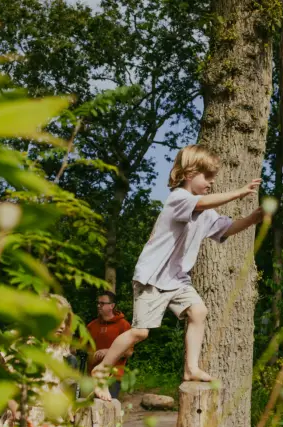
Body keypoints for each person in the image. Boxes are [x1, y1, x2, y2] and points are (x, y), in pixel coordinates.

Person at [89, 145, 264, 401]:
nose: (211, 183)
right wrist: (239, 192)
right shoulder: (178, 199)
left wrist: (252, 219)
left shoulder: (205, 213)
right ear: (188, 174)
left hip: (177, 279)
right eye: (207, 177)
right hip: (153, 276)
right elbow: (201, 202)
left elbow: (225, 229)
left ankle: (191, 368)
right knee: (140, 332)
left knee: (199, 311)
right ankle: (102, 370)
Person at [85, 291, 132, 399]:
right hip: (91, 376)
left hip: (113, 376)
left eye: (102, 303)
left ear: (112, 306)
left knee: (108, 408)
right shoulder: (91, 325)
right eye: (98, 303)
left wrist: (108, 351)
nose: (98, 305)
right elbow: (81, 348)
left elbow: (129, 352)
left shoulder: (123, 325)